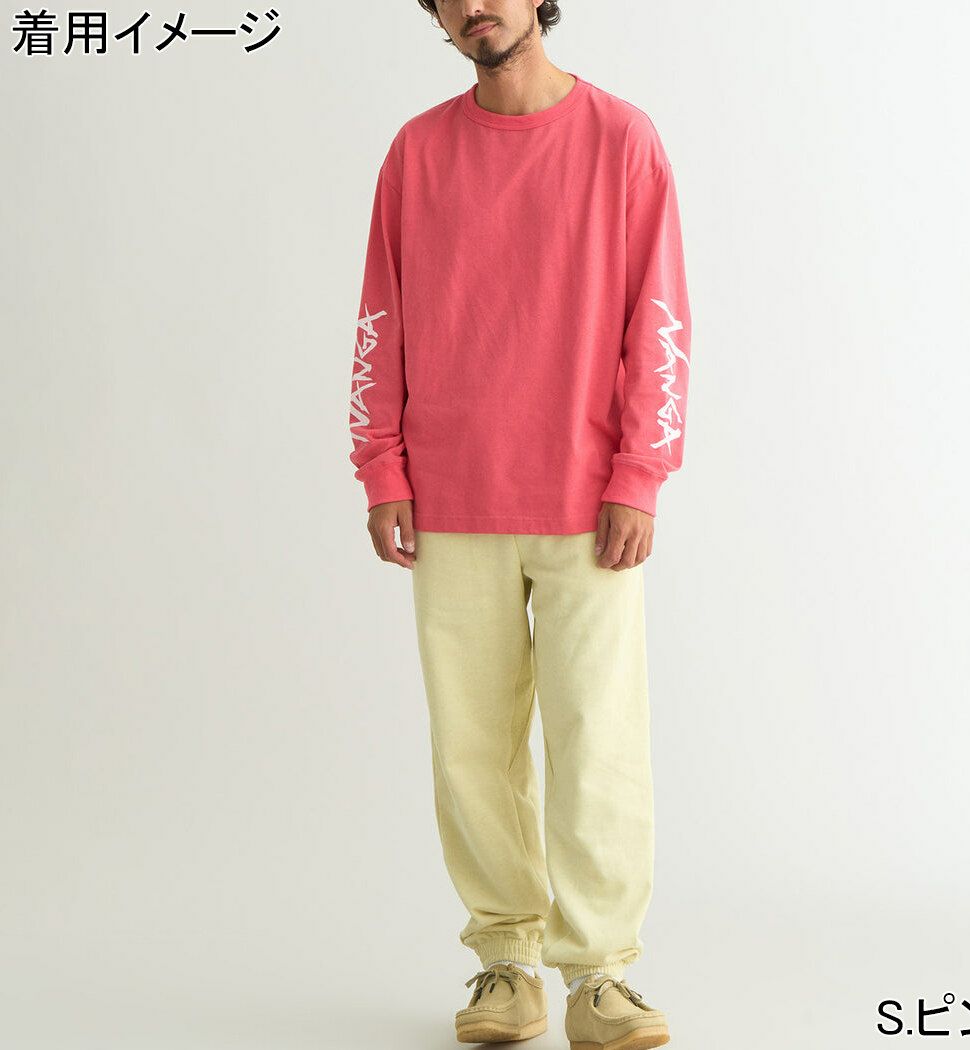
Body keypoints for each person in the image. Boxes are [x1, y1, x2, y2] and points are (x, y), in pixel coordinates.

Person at [349, 3, 691, 1047]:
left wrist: (640, 473)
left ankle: (600, 975)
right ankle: (506, 962)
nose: (472, 6)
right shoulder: (417, 153)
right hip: (451, 497)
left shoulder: (622, 140)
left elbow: (659, 315)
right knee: (473, 748)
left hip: (588, 502)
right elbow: (381, 315)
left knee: (600, 742)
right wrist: (381, 465)